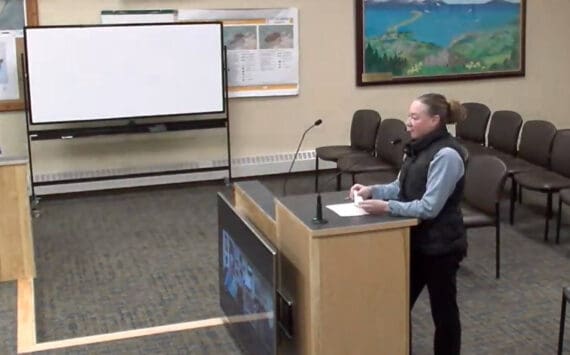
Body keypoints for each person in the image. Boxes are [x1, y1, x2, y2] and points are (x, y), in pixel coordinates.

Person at [349, 93, 467, 355]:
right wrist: (372, 191)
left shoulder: (447, 155)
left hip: (442, 246)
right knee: (398, 304)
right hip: (416, 240)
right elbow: (399, 187)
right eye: (408, 116)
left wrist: (387, 207)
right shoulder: (417, 147)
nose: (408, 123)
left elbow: (429, 207)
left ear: (435, 120)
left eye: (415, 117)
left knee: (443, 312)